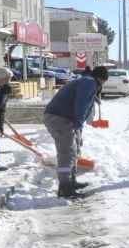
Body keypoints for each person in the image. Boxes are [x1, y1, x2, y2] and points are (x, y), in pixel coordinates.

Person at [43, 66, 108, 199]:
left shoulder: (88, 82)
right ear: (103, 79)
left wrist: (79, 129)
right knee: (66, 152)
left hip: (63, 119)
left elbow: (83, 107)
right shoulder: (89, 82)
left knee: (73, 149)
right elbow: (81, 103)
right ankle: (64, 188)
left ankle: (71, 181)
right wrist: (78, 122)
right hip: (59, 118)